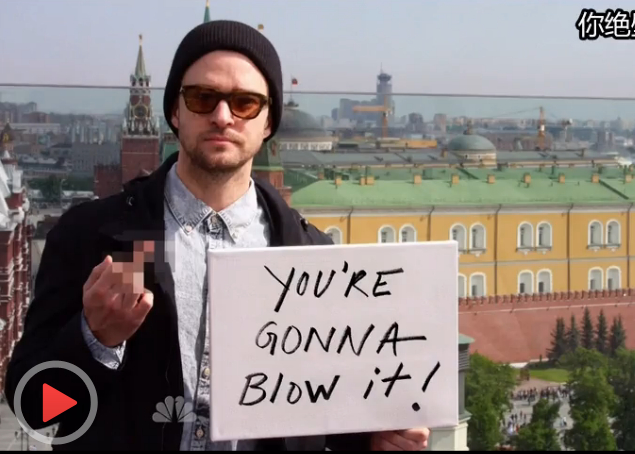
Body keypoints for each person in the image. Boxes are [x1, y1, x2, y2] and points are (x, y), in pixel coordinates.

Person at [5, 20, 429, 451]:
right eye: (202, 98)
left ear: (268, 122)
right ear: (175, 112)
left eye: (245, 102)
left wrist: (373, 438)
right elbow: (38, 410)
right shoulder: (89, 238)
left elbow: (319, 410)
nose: (223, 116)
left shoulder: (312, 257)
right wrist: (93, 340)